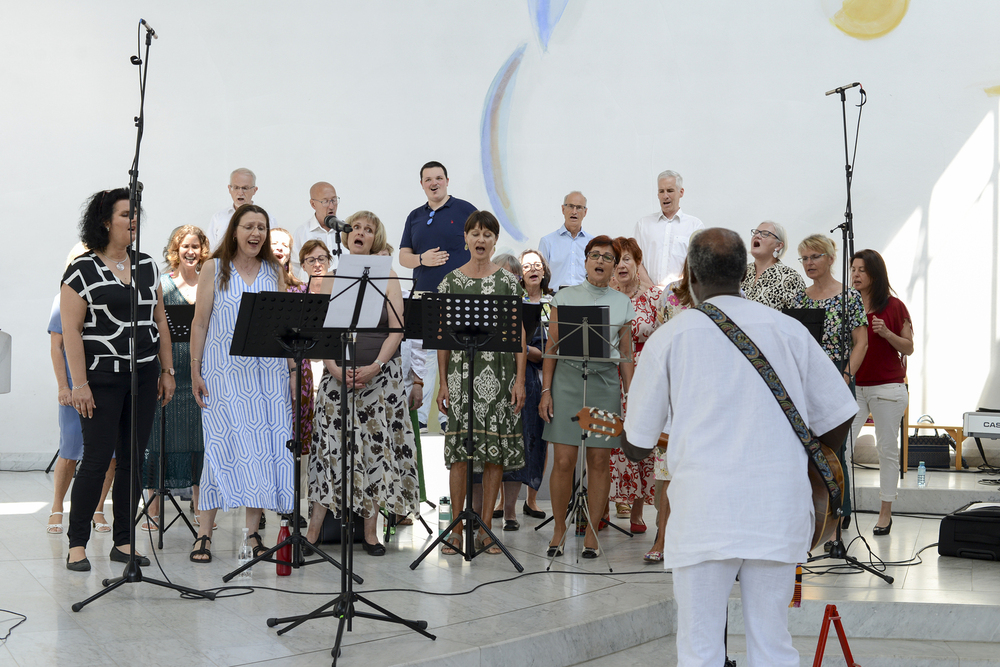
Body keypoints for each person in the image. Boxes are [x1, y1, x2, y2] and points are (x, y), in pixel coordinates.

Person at [620, 228, 857, 667]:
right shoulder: (788, 330)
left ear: (691, 277)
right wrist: (811, 464)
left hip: (704, 514)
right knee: (773, 645)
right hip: (778, 508)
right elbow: (840, 413)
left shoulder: (670, 338)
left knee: (700, 648)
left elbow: (637, 445)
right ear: (742, 274)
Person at [61, 188, 176, 571]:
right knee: (96, 460)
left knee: (132, 460)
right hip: (100, 379)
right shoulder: (81, 270)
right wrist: (79, 384)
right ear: (105, 221)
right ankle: (77, 544)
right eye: (126, 214)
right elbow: (71, 331)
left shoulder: (147, 265)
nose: (134, 220)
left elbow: (160, 321)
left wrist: (167, 370)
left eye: (136, 214)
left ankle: (124, 541)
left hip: (143, 376)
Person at [306, 212, 418, 556]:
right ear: (347, 235)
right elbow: (321, 329)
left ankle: (371, 534)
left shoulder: (389, 277)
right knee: (329, 453)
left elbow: (396, 329)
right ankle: (312, 533)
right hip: (336, 377)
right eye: (356, 227)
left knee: (375, 453)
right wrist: (334, 367)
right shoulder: (331, 278)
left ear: (375, 239)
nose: (361, 233)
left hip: (380, 379)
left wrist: (376, 366)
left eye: (369, 230)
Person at [189, 204, 295, 563]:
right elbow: (200, 323)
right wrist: (195, 370)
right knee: (220, 450)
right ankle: (204, 533)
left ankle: (252, 534)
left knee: (263, 452)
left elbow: (284, 326)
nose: (256, 233)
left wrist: (292, 372)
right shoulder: (213, 267)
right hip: (224, 374)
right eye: (249, 226)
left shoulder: (273, 270)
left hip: (268, 376)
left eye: (261, 228)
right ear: (234, 230)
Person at [435, 211, 526, 555]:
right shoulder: (450, 282)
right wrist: (443, 382)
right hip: (461, 376)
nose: (481, 239)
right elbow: (442, 337)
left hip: (500, 376)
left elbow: (519, 334)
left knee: (494, 454)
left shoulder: (507, 282)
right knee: (460, 453)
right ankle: (457, 529)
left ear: (495, 241)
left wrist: (520, 380)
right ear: (466, 239)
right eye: (475, 233)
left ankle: (486, 528)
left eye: (487, 234)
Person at [540, 235, 635, 559]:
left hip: (603, 385)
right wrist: (546, 391)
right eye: (594, 255)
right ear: (585, 261)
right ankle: (559, 529)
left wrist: (631, 396)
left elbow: (625, 355)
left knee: (598, 460)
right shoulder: (564, 297)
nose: (600, 261)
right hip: (566, 381)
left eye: (607, 257)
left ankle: (592, 531)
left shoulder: (622, 302)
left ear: (614, 265)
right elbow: (551, 347)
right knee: (563, 460)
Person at [791, 234, 867, 526]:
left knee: (835, 448)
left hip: (837, 373)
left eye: (815, 257)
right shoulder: (799, 298)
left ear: (831, 259)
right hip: (805, 378)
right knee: (804, 446)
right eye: (804, 258)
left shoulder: (849, 296)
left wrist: (845, 375)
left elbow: (861, 342)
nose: (809, 263)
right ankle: (810, 509)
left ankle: (838, 510)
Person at [398, 161, 477, 433]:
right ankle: (419, 420)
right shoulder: (414, 216)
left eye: (439, 178)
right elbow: (403, 257)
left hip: (458, 296)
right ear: (422, 184)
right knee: (423, 357)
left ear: (447, 181)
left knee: (456, 355)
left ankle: (450, 419)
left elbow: (482, 245)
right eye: (428, 179)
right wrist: (423, 259)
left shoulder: (465, 210)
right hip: (423, 296)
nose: (434, 183)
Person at [142, 226, 212, 531]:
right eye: (185, 246)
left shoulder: (209, 283)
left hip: (201, 369)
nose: (190, 251)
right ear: (175, 250)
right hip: (169, 368)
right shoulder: (161, 283)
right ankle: (153, 506)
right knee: (159, 435)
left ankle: (200, 505)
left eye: (196, 246)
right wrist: (163, 369)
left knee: (199, 438)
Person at [47, 243, 116, 537]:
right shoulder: (62, 297)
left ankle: (98, 508)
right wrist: (64, 386)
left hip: (106, 384)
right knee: (70, 450)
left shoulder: (109, 293)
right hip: (74, 388)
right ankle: (57, 507)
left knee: (110, 453)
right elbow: (57, 347)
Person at [849, 249, 913, 535]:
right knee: (842, 447)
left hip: (887, 387)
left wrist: (886, 333)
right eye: (853, 269)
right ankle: (842, 509)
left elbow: (909, 347)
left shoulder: (894, 306)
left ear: (875, 274)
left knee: (886, 449)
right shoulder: (848, 304)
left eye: (861, 270)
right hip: (854, 386)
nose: (855, 275)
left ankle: (885, 512)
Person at [608, 237, 661, 533]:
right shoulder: (606, 297)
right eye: (616, 260)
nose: (621, 265)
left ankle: (638, 511)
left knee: (641, 441)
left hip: (645, 377)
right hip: (609, 376)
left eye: (627, 259)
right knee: (609, 442)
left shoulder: (655, 297)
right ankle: (602, 506)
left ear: (638, 263)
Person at [643, 260, 693, 563]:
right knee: (667, 471)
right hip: (674, 389)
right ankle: (662, 537)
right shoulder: (671, 293)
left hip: (710, 393)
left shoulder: (729, 297)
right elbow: (660, 337)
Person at [518, 249, 553, 520]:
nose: (533, 269)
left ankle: (532, 499)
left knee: (541, 439)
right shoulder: (515, 302)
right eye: (527, 265)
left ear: (544, 271)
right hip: (520, 376)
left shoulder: (554, 303)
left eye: (537, 265)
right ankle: (503, 501)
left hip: (548, 377)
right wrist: (529, 351)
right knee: (516, 437)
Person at [633, 170, 704, 287]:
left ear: (681, 192)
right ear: (658, 194)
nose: (665, 196)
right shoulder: (643, 225)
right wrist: (653, 291)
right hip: (648, 293)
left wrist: (677, 291)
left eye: (670, 191)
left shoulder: (695, 226)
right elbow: (635, 260)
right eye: (661, 191)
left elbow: (698, 265)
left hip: (681, 294)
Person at [741, 221, 806, 310]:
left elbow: (801, 316)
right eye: (755, 233)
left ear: (778, 245)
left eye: (765, 234)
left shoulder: (790, 277)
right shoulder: (739, 272)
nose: (757, 236)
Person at [537, 191, 592, 290]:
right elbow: (540, 276)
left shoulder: (592, 243)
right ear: (563, 209)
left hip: (585, 296)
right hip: (555, 296)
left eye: (579, 207)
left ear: (585, 212)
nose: (574, 211)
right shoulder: (547, 242)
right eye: (570, 206)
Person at [291, 182, 342, 278]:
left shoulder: (346, 231)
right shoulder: (302, 232)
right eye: (325, 201)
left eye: (334, 200)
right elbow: (294, 269)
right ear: (313, 204)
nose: (331, 206)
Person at [206, 168, 258, 252]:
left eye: (245, 188)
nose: (240, 193)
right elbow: (209, 249)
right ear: (229, 189)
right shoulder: (218, 218)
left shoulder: (267, 219)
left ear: (254, 190)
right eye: (236, 187)